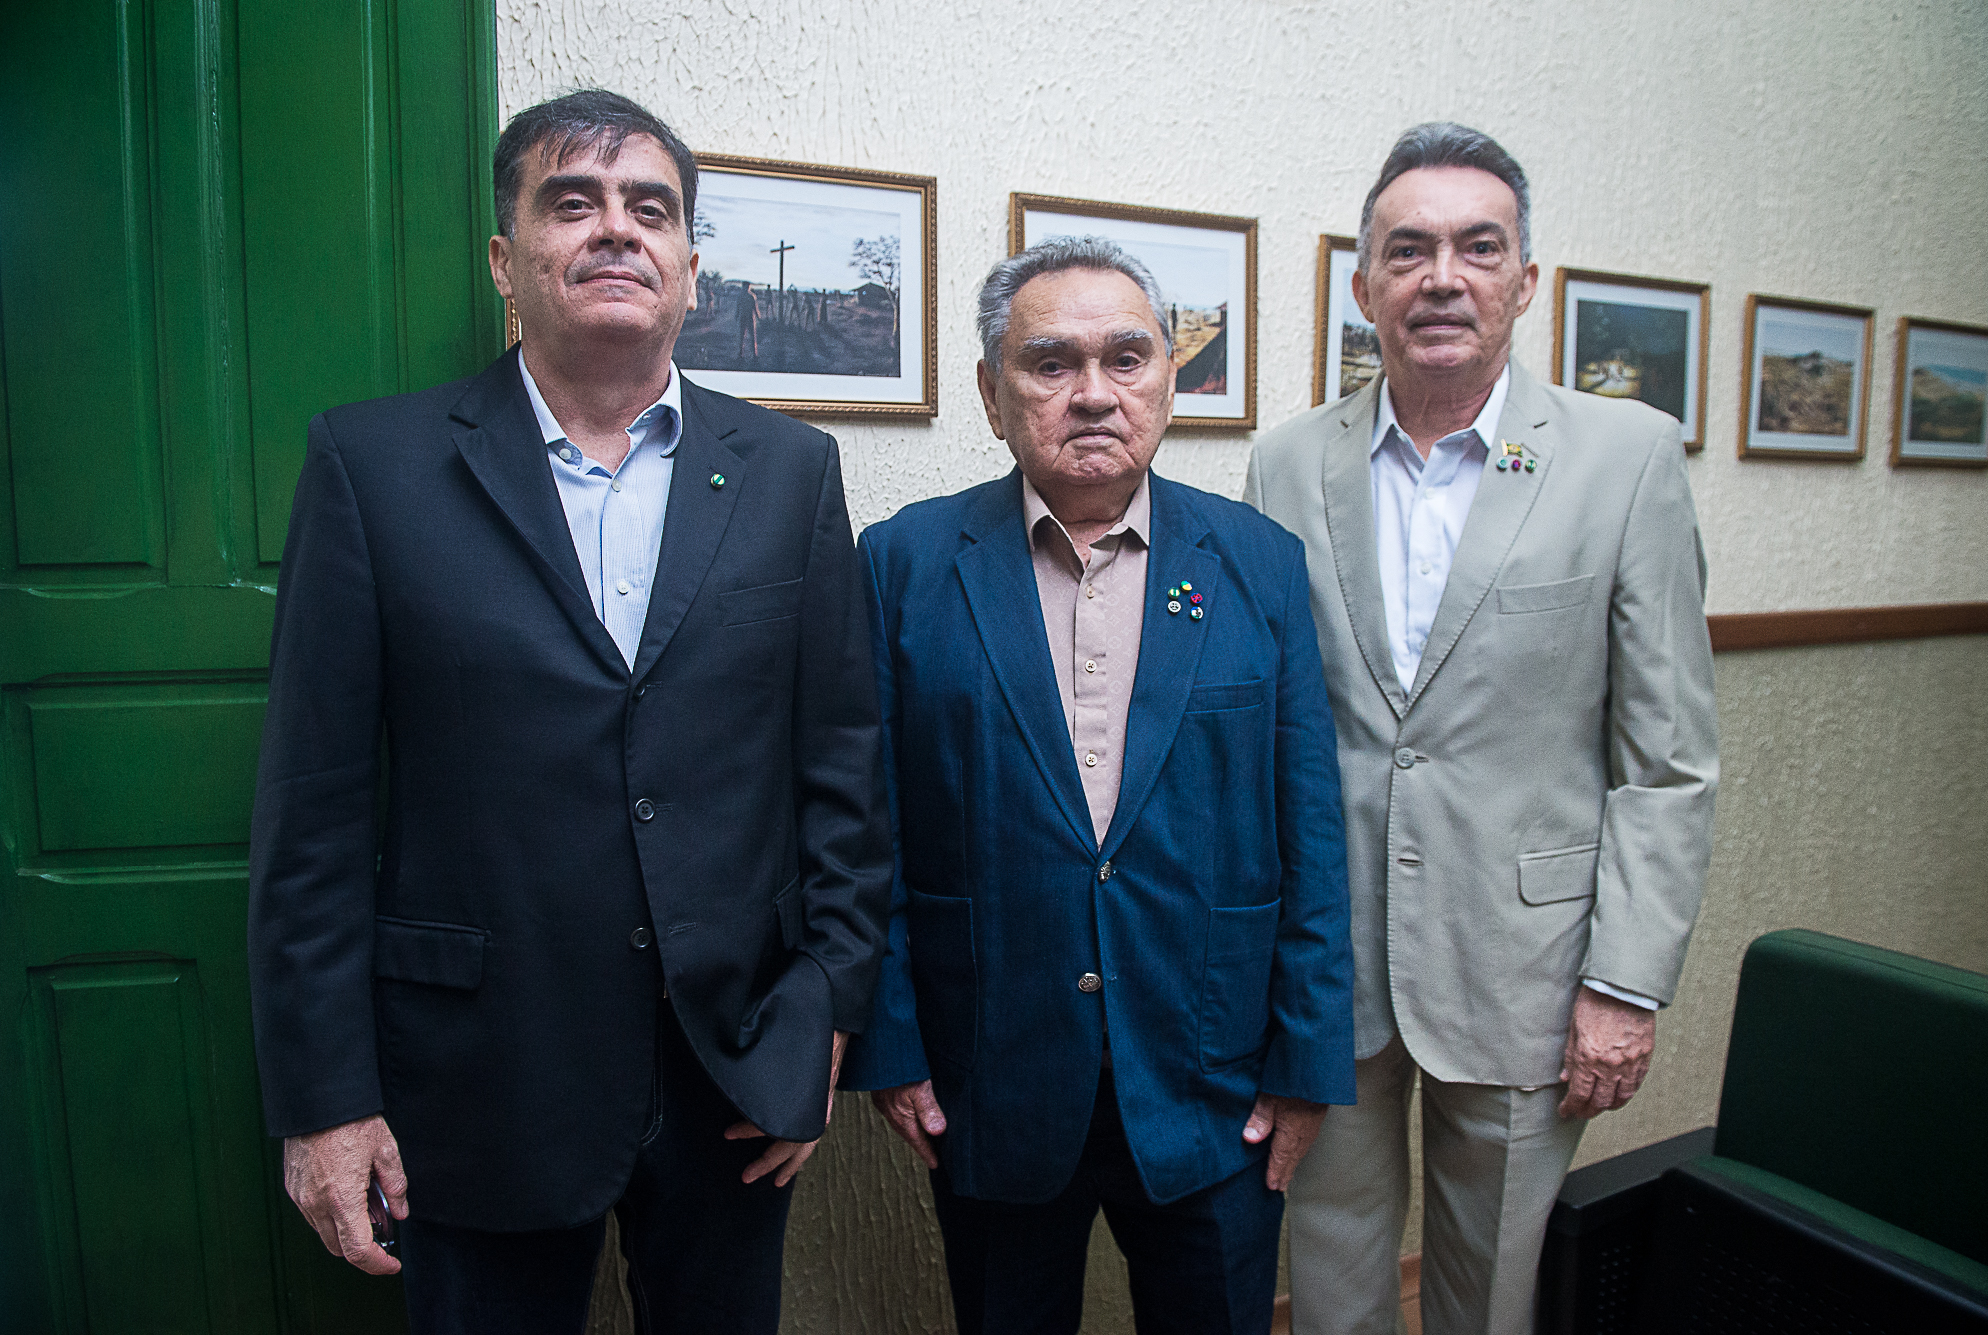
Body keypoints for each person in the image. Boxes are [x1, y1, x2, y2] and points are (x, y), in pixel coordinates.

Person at [247, 88, 889, 1335]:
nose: (616, 229)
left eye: (650, 207)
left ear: (689, 266)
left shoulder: (790, 472)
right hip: (476, 1074)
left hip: (729, 1067)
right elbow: (312, 811)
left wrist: (822, 1014)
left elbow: (843, 770)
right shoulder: (372, 468)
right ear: (506, 259)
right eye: (572, 202)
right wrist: (323, 1099)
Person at [1245, 123, 1718, 1335]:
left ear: (1523, 280)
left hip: (1530, 965)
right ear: (1364, 288)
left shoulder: (1624, 458)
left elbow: (1666, 763)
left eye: (1476, 247)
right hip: (1330, 959)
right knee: (1329, 1271)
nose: (1440, 277)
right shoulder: (1285, 464)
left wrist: (1622, 983)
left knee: (1489, 1292)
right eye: (1406, 251)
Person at [842, 237, 1356, 1335]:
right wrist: (891, 1043)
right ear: (992, 394)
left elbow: (1309, 826)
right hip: (992, 1073)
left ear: (1169, 378)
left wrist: (1305, 1058)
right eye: (1049, 363)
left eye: (1126, 358)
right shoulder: (903, 562)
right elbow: (868, 830)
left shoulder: (1259, 561)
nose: (1092, 393)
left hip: (1216, 1076)